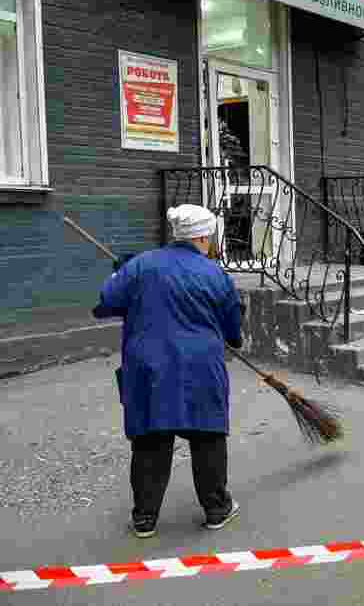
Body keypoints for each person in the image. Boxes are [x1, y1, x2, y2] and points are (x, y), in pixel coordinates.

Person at [93, 205, 244, 538]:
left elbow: (105, 303)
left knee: (150, 439)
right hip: (200, 368)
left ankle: (144, 518)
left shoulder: (140, 265)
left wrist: (120, 275)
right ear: (202, 237)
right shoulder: (213, 273)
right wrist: (235, 338)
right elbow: (232, 323)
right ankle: (217, 509)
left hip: (149, 368)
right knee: (207, 437)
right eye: (211, 237)